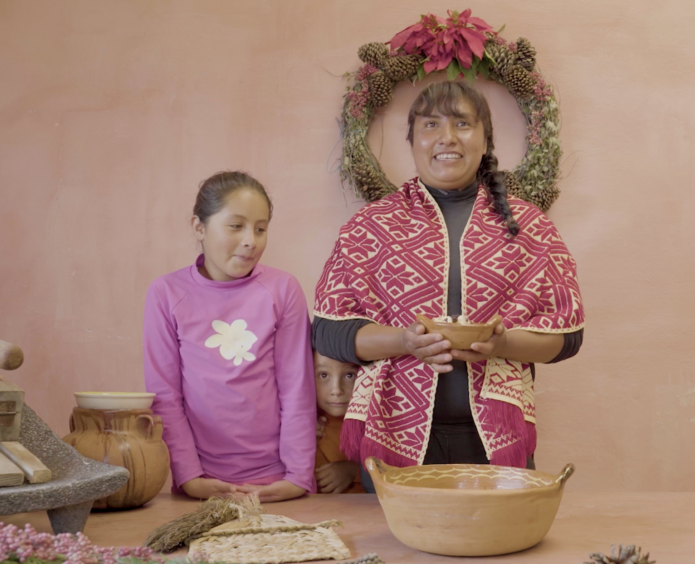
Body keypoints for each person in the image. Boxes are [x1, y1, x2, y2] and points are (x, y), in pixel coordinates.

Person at [313, 80, 584, 478]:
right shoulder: (369, 228)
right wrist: (403, 341)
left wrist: (502, 343)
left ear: (485, 139)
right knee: (404, 542)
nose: (446, 138)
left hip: (497, 438)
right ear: (411, 140)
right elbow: (328, 331)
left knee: (496, 540)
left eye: (462, 124)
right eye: (430, 125)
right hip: (392, 438)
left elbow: (568, 335)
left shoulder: (531, 227)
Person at [144, 171, 316, 502]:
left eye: (261, 228)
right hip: (202, 485)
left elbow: (297, 388)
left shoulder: (283, 290)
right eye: (236, 226)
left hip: (277, 481)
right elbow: (164, 395)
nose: (251, 239)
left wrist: (297, 476)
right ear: (199, 228)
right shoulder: (166, 293)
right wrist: (190, 477)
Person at [313, 352, 365, 493]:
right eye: (324, 375)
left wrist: (354, 471)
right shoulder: (303, 423)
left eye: (349, 375)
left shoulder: (377, 423)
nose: (337, 390)